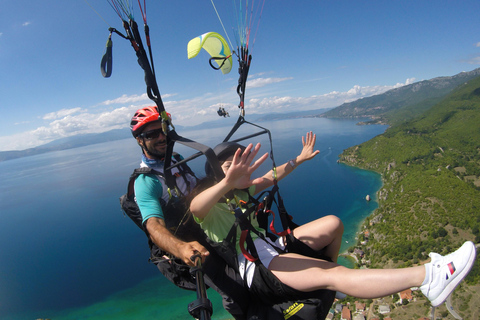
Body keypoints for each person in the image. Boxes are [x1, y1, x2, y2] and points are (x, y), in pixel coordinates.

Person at [189, 133, 477, 308]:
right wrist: (227, 181)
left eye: (241, 162)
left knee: (334, 223)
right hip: (256, 267)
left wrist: (298, 160)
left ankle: (335, 285)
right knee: (332, 273)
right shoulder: (212, 208)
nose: (242, 169)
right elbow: (196, 208)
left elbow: (271, 175)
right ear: (218, 175)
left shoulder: (243, 190)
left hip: (269, 247)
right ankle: (428, 277)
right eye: (231, 166)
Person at [129, 106, 249, 319]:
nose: (160, 137)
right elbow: (154, 225)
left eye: (163, 131)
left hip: (210, 224)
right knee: (235, 289)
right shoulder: (146, 182)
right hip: (194, 243)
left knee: (250, 268)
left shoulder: (176, 158)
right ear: (140, 140)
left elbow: (195, 189)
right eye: (151, 134)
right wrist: (181, 247)